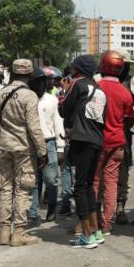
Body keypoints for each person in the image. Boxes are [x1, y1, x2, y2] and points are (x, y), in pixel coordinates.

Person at [0, 59, 48, 247]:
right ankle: (19, 233)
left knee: (5, 188)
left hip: (4, 147)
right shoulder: (29, 96)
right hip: (24, 149)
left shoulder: (0, 94)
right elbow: (33, 126)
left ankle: (4, 232)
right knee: (23, 188)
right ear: (29, 75)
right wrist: (42, 150)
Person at [59, 55, 107, 249]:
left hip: (81, 140)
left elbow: (63, 109)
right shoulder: (99, 89)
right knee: (88, 186)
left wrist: (63, 91)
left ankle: (86, 235)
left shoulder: (77, 84)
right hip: (96, 140)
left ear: (78, 69)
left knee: (79, 187)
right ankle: (96, 231)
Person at [92, 52, 134, 236]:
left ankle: (92, 221)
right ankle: (107, 224)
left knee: (94, 182)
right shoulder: (125, 93)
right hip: (117, 143)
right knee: (111, 183)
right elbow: (129, 121)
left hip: (97, 142)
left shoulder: (96, 88)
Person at [27, 68, 65, 225]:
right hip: (29, 144)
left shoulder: (51, 100)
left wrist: (60, 147)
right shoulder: (27, 99)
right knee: (32, 181)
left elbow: (58, 124)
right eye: (37, 82)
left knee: (50, 179)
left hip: (48, 142)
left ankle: (51, 206)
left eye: (43, 82)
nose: (40, 85)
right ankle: (33, 212)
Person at [114, 49, 134, 225]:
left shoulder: (131, 81)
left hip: (126, 134)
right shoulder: (99, 81)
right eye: (123, 65)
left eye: (127, 66)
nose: (125, 69)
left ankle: (120, 208)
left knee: (124, 172)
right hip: (105, 134)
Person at [57, 65, 74, 216]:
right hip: (66, 136)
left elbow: (63, 110)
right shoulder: (59, 93)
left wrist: (65, 92)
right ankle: (66, 202)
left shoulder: (76, 91)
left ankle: (68, 201)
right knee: (66, 170)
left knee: (70, 170)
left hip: (76, 136)